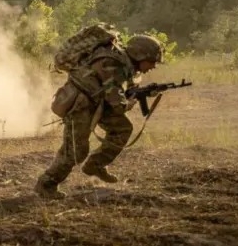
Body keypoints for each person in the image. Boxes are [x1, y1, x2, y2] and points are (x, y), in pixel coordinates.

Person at [34, 34, 165, 199]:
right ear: (139, 55)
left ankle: (95, 164)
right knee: (75, 151)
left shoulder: (125, 64)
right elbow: (117, 102)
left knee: (122, 129)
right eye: (152, 61)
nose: (153, 66)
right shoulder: (112, 63)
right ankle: (46, 183)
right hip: (80, 105)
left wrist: (141, 93)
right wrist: (128, 103)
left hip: (98, 102)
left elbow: (118, 90)